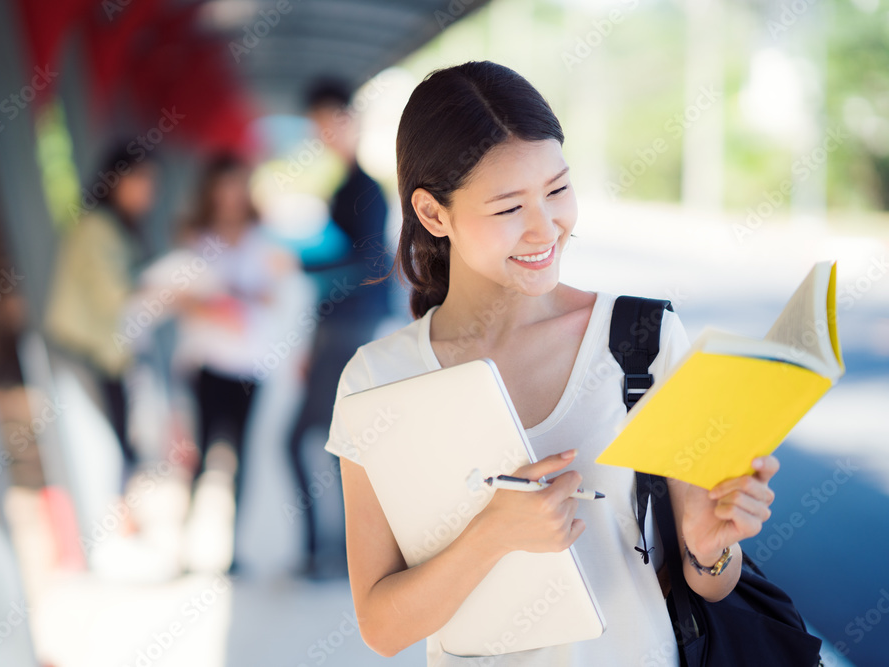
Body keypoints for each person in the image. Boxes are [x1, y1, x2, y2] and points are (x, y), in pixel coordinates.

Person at [323, 61, 780, 666]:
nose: (548, 228)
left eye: (558, 190)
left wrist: (710, 549)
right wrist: (492, 536)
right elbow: (381, 627)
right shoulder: (377, 380)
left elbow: (709, 584)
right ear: (434, 215)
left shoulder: (643, 339)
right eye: (509, 208)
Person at [170, 153, 300, 574]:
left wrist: (235, 296)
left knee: (239, 459)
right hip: (207, 362)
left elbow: (275, 296)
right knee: (202, 455)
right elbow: (183, 298)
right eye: (221, 188)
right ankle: (186, 548)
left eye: (236, 187)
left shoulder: (263, 240)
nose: (229, 197)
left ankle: (233, 552)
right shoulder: (196, 237)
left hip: (249, 364)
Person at [287, 79, 394, 579]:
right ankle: (340, 553)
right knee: (334, 444)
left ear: (350, 120)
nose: (323, 133)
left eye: (329, 121)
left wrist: (295, 266)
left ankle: (329, 553)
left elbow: (370, 264)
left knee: (314, 442)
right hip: (340, 327)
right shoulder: (345, 187)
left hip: (351, 328)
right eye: (317, 126)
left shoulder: (364, 191)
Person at [45, 144, 157, 491]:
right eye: (142, 180)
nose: (149, 192)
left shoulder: (113, 227)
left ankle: (121, 516)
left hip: (103, 356)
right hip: (85, 353)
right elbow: (117, 298)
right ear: (116, 180)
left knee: (117, 443)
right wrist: (177, 293)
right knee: (104, 449)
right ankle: (113, 524)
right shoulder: (97, 228)